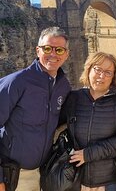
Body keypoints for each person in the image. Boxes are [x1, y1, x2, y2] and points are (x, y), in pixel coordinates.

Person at [0, 27, 71, 191]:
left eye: (59, 50)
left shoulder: (64, 86)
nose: (53, 54)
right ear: (37, 50)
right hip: (13, 174)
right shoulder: (16, 82)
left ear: (66, 54)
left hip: (45, 173)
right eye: (47, 48)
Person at [67, 52, 116, 191]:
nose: (101, 76)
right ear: (89, 69)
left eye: (108, 72)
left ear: (113, 77)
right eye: (98, 69)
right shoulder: (74, 98)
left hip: (109, 181)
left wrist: (88, 154)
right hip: (76, 178)